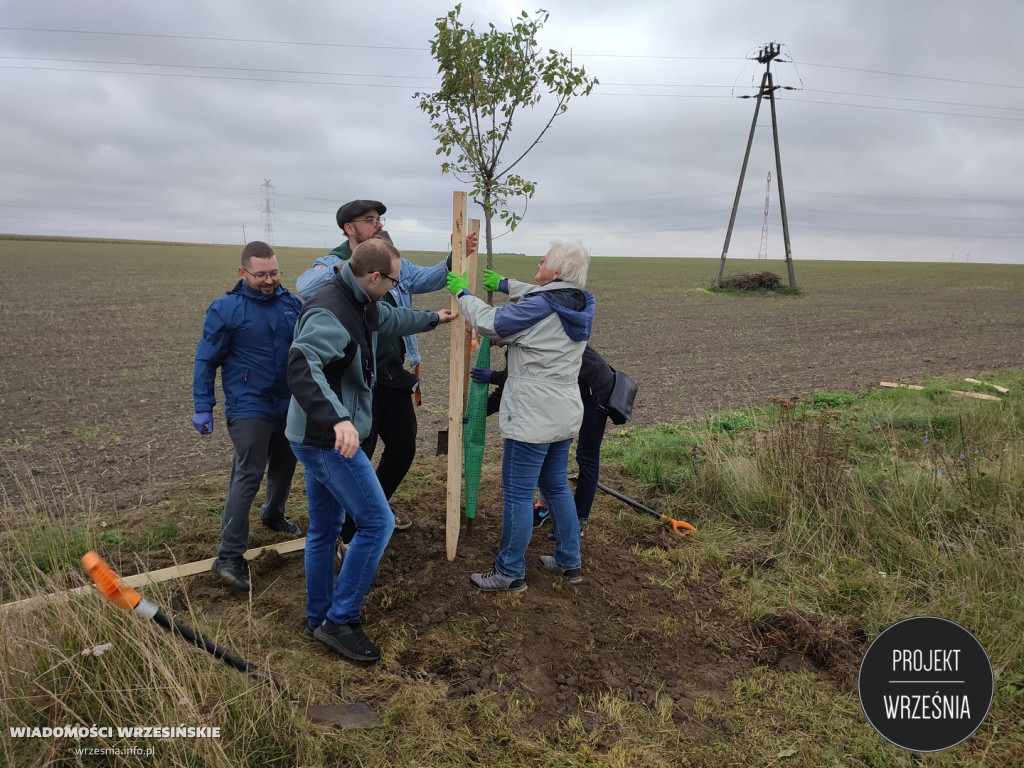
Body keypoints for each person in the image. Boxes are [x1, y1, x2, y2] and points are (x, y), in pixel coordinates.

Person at [287, 237, 456, 662]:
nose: (396, 287)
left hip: (316, 434)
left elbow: (391, 318)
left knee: (325, 529)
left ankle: (318, 617)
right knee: (377, 523)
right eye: (394, 281)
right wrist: (339, 418)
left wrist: (434, 318)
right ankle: (340, 620)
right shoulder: (330, 310)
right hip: (327, 438)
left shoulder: (359, 298)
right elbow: (302, 363)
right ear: (375, 276)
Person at [295, 199, 477, 531]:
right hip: (356, 382)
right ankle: (350, 528)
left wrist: (455, 258)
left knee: (403, 448)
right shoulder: (332, 263)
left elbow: (426, 279)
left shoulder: (394, 261)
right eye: (370, 220)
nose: (378, 224)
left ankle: (372, 507)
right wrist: (354, 266)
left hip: (392, 374)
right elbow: (305, 286)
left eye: (379, 219)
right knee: (357, 452)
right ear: (349, 229)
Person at [447, 240, 595, 593]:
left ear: (555, 271)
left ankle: (510, 571)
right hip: (563, 411)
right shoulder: (581, 302)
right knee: (556, 485)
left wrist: (465, 293)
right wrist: (505, 285)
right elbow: (542, 295)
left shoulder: (542, 306)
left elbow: (491, 323)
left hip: (531, 415)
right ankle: (568, 560)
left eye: (543, 261)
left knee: (518, 493)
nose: (538, 265)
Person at [192, 241, 303, 592]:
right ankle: (229, 555)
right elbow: (206, 359)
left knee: (287, 462)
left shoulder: (291, 305)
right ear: (243, 273)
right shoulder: (225, 309)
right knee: (248, 473)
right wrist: (202, 405)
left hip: (288, 402)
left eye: (273, 272)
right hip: (248, 404)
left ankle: (273, 513)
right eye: (261, 275)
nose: (269, 280)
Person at [472, 343, 615, 536]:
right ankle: (545, 506)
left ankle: (578, 519)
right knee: (551, 443)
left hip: (594, 387)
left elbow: (520, 377)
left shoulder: (531, 337)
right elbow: (510, 385)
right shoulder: (516, 344)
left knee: (586, 456)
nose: (492, 342)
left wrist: (493, 377)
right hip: (567, 390)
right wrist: (476, 413)